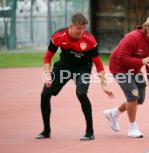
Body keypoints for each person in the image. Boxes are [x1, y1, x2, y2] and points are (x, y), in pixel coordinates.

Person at [35, 12, 113, 141]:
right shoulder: (59, 36)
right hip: (64, 66)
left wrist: (104, 85)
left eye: (84, 29)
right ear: (71, 26)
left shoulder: (89, 40)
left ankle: (89, 132)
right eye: (79, 29)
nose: (81, 32)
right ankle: (46, 130)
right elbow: (47, 57)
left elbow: (98, 64)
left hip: (82, 68)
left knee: (81, 93)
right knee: (45, 94)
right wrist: (48, 75)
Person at [103, 15, 149, 138]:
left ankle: (113, 113)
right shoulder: (132, 38)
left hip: (134, 68)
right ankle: (132, 128)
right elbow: (121, 59)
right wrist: (141, 61)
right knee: (133, 95)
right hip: (118, 68)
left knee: (140, 99)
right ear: (148, 28)